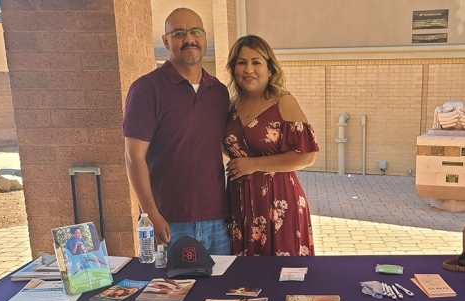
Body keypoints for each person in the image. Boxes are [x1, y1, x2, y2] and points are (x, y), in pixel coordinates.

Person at [123, 8, 231, 255]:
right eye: (179, 33)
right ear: (166, 41)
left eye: (195, 32)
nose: (189, 39)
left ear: (204, 38)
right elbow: (133, 157)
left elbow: (222, 145)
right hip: (168, 221)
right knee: (168, 293)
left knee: (219, 291)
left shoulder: (219, 91)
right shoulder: (146, 89)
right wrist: (151, 215)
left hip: (217, 220)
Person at [224, 35, 319, 256]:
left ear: (269, 68)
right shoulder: (230, 107)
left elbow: (307, 156)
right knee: (245, 280)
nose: (249, 69)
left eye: (256, 62)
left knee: (281, 275)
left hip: (279, 201)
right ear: (234, 69)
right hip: (240, 201)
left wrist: (253, 165)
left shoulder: (283, 102)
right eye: (241, 62)